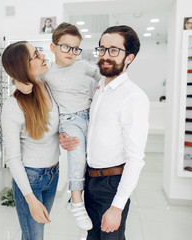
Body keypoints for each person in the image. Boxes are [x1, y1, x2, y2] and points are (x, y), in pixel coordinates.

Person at [60, 25, 150, 240]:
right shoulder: (99, 87)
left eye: (114, 50)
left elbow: (136, 159)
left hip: (111, 184)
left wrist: (117, 207)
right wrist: (67, 138)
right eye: (102, 49)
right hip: (90, 180)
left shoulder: (133, 97)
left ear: (129, 57)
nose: (105, 56)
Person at [16, 22, 102, 230]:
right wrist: (19, 84)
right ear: (53, 47)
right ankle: (77, 202)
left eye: (75, 48)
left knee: (91, 158)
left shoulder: (83, 66)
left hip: (89, 117)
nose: (71, 52)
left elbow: (101, 74)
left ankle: (74, 201)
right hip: (69, 120)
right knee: (76, 156)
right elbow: (26, 77)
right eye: (65, 47)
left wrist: (103, 85)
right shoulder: (48, 71)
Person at [1, 41, 60, 240]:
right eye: (35, 55)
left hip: (53, 173)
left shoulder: (49, 84)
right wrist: (31, 200)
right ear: (23, 66)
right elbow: (13, 159)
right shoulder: (13, 106)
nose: (42, 56)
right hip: (31, 179)